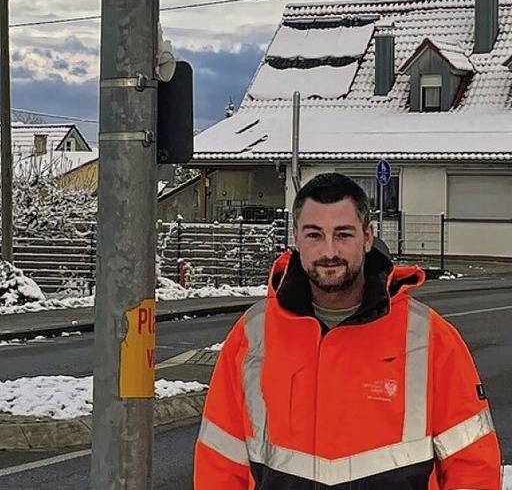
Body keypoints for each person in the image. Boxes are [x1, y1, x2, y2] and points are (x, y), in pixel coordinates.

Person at [194, 172, 501, 490]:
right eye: (314, 235)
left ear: (367, 237)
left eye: (343, 234)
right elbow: (219, 462)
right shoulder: (253, 335)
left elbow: (472, 464)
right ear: (296, 237)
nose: (329, 251)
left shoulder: (429, 338)